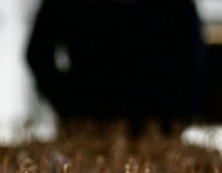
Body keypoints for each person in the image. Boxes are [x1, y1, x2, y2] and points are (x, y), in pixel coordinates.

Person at [25, 0, 206, 137]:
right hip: (88, 126)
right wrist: (68, 106)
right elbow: (39, 52)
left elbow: (192, 58)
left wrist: (179, 114)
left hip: (154, 126)